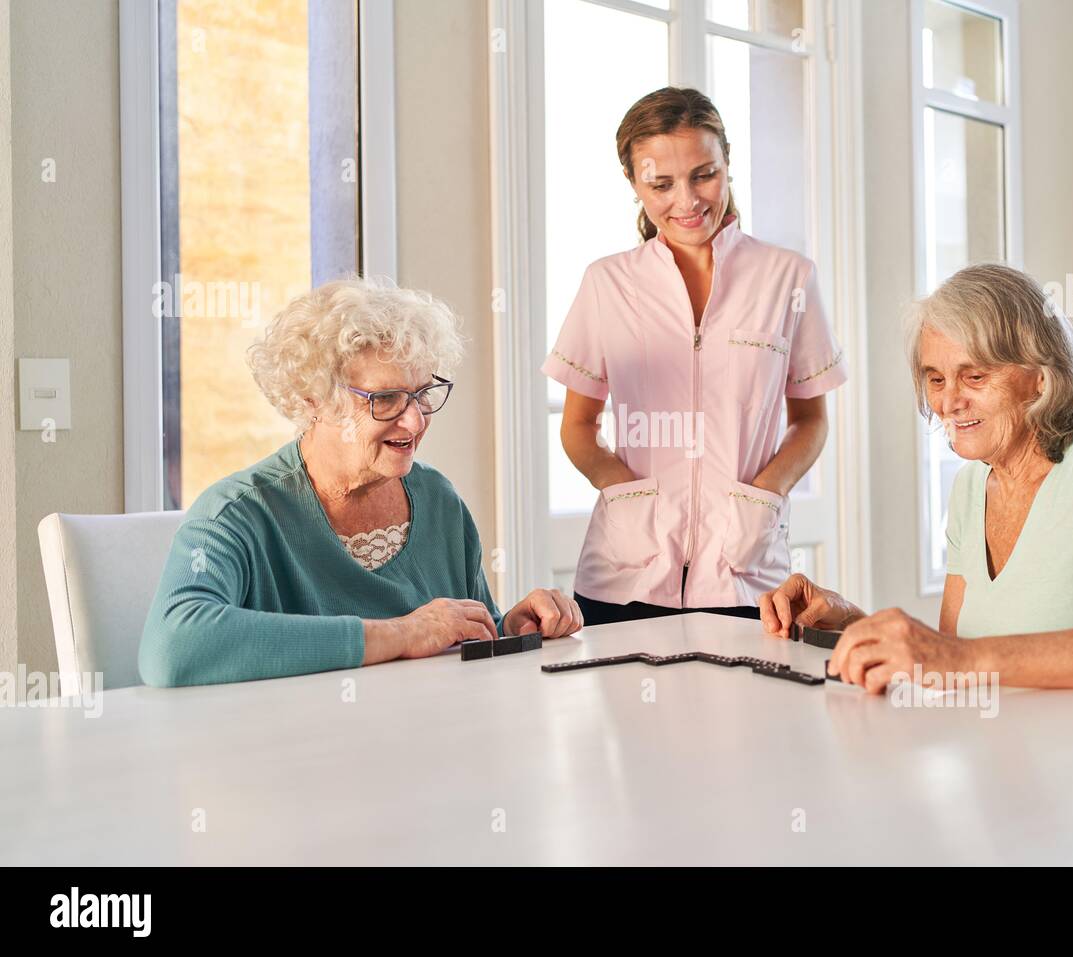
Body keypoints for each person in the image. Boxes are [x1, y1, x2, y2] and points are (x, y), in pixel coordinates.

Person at [759, 263, 1073, 691]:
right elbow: (951, 656)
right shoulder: (972, 487)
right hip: (1006, 758)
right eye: (937, 378)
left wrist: (958, 660)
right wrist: (849, 623)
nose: (948, 402)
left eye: (975, 377)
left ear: (1040, 377)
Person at [139, 278, 581, 687]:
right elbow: (173, 648)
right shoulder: (240, 513)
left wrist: (509, 628)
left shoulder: (438, 501)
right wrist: (400, 635)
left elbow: (454, 639)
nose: (414, 420)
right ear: (315, 400)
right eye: (386, 399)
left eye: (422, 394)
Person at [542, 86, 847, 626]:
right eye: (661, 184)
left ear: (727, 163)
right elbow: (578, 425)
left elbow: (810, 420)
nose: (686, 201)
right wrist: (622, 490)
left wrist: (765, 495)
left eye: (703, 175)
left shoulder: (787, 277)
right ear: (634, 185)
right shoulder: (607, 282)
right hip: (624, 577)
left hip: (746, 576)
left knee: (748, 711)